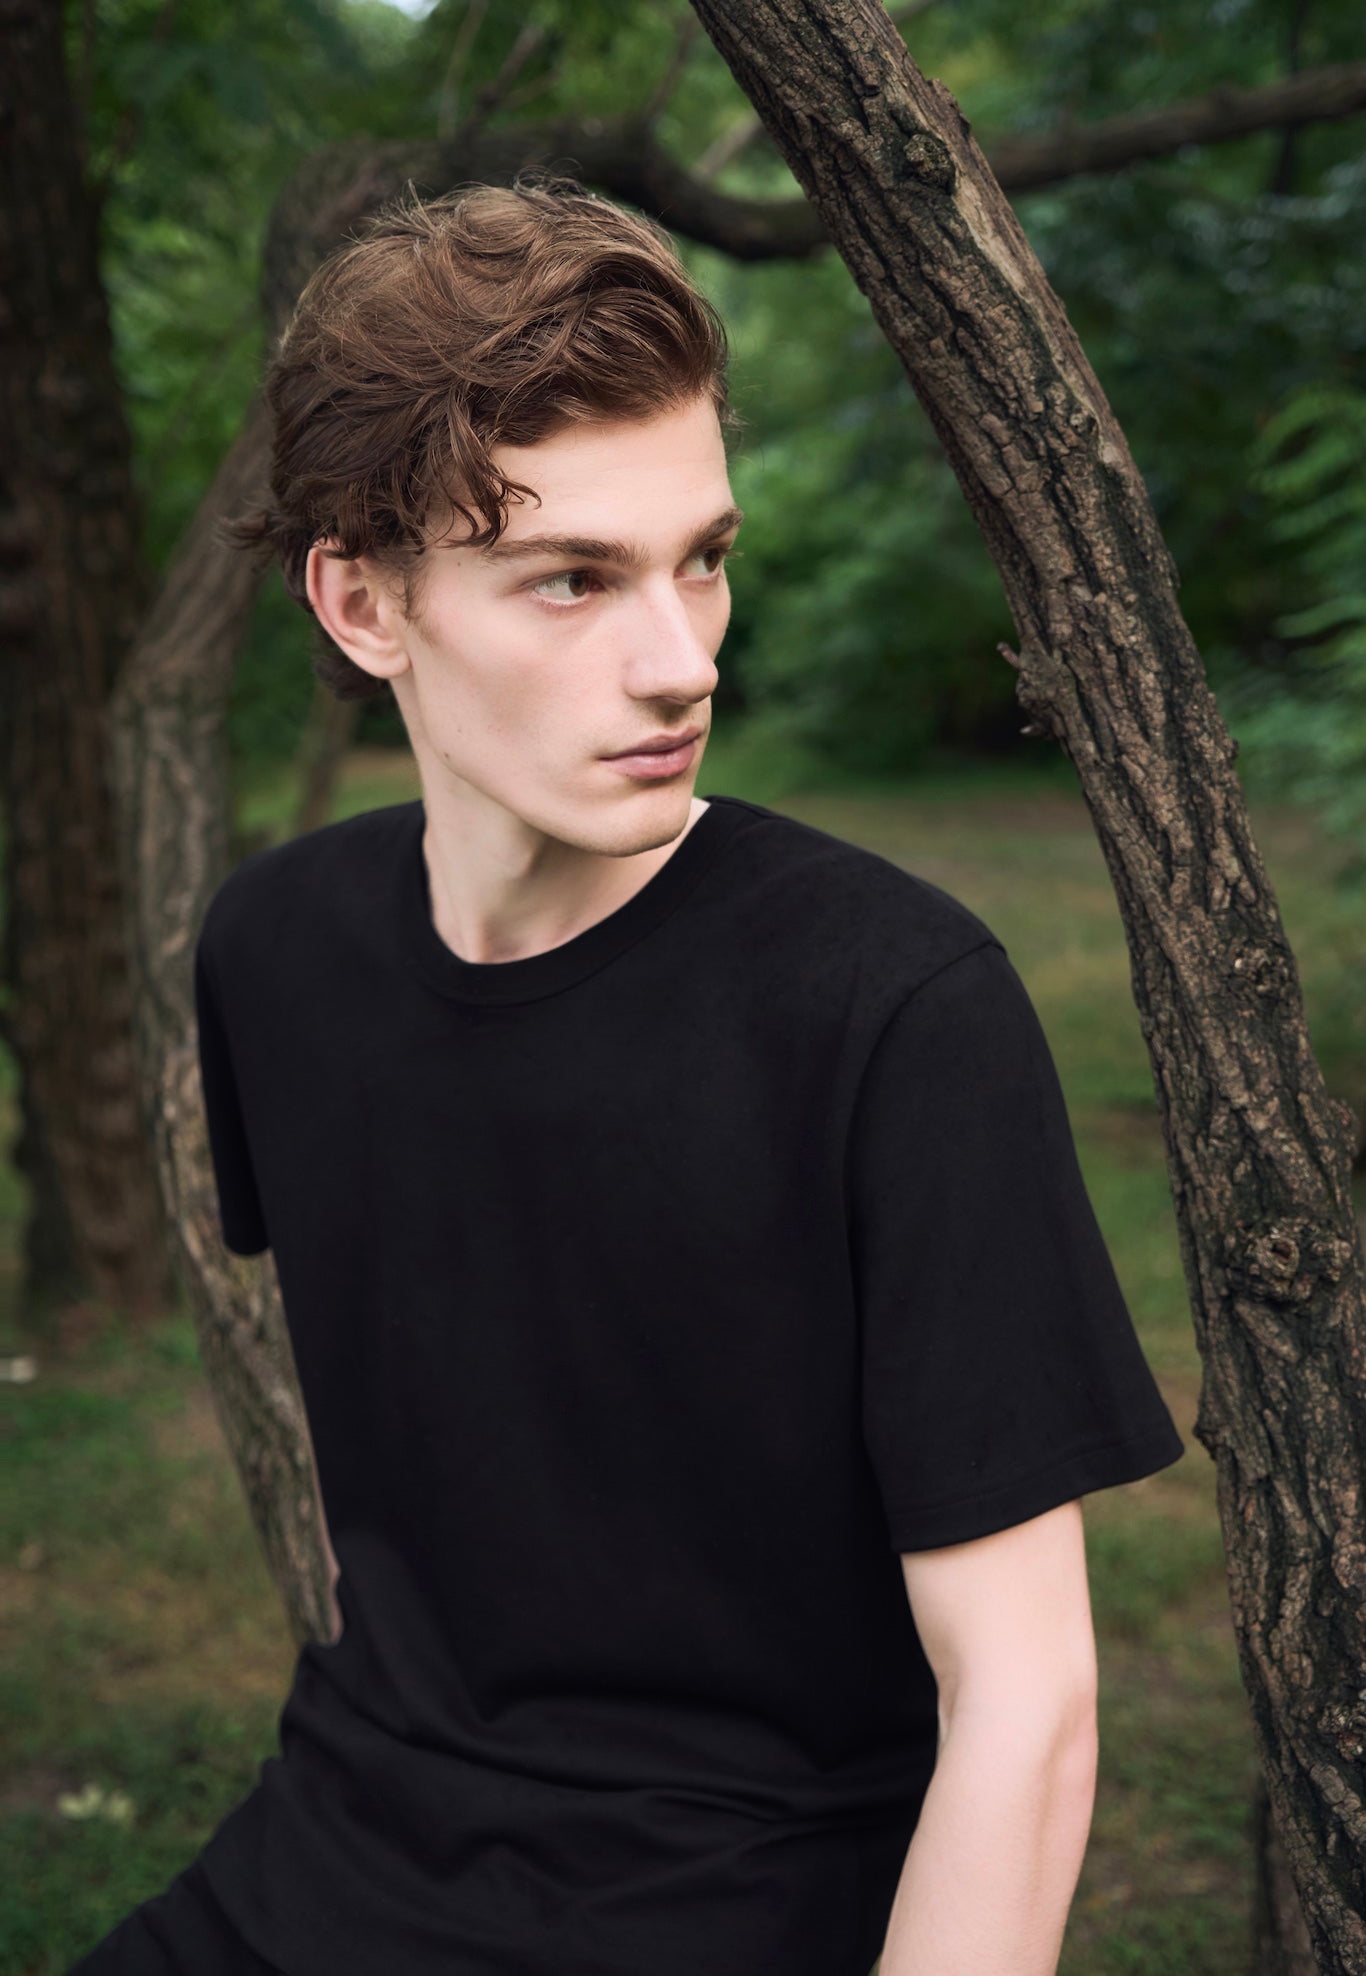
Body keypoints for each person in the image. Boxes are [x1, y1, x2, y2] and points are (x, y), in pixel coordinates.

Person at [69, 172, 1184, 1976]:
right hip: (328, 1862)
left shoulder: (894, 1009)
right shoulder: (274, 954)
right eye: (571, 580)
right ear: (361, 608)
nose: (679, 664)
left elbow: (1029, 1702)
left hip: (728, 1910)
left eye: (703, 559)